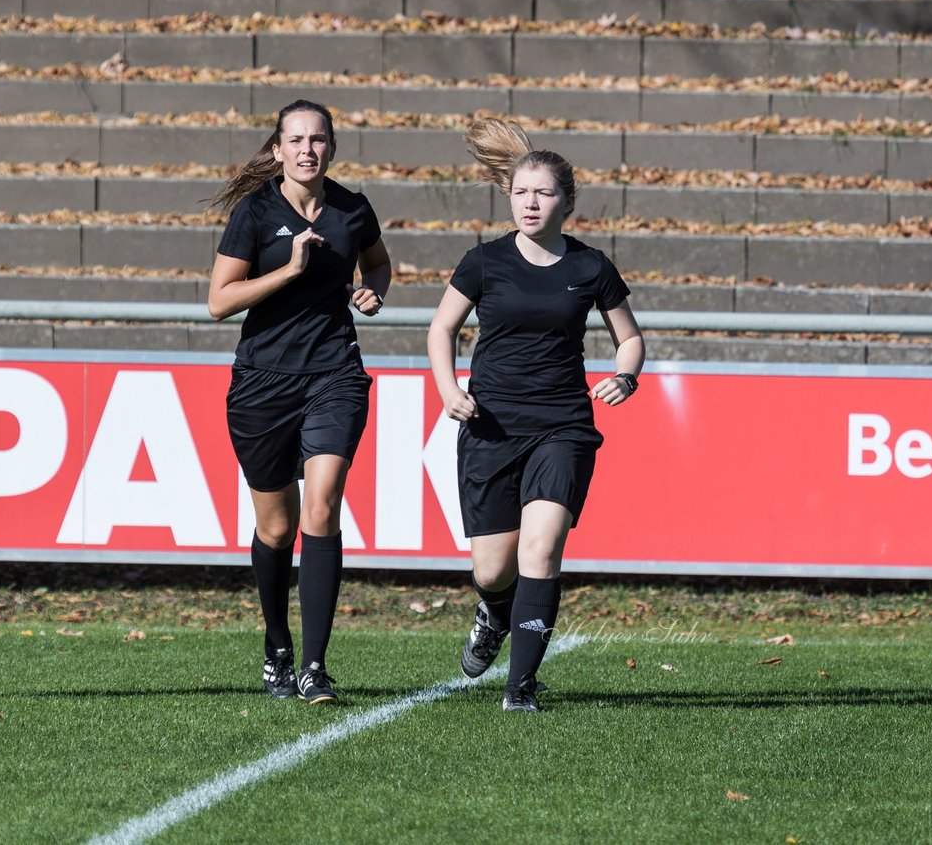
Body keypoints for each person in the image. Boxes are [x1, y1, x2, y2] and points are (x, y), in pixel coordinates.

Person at [427, 117, 644, 712]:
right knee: (494, 571)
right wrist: (449, 390)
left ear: (567, 203)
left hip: (563, 427)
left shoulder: (590, 267)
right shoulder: (484, 261)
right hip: (490, 425)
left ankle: (519, 689)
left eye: (544, 192)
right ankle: (493, 613)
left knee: (541, 550)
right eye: (522, 192)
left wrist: (626, 375)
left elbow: (629, 338)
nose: (531, 202)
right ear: (509, 198)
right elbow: (442, 328)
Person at [208, 99, 391, 704]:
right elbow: (219, 301)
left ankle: (314, 667)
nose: (307, 149)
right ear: (278, 148)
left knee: (322, 504)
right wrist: (288, 271)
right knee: (277, 525)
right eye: (295, 139)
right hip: (262, 384)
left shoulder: (353, 209)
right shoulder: (254, 213)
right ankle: (277, 645)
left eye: (318, 139)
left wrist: (372, 294)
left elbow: (378, 266)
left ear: (331, 147)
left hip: (334, 375)